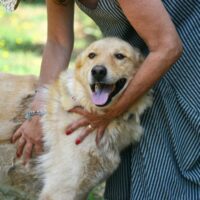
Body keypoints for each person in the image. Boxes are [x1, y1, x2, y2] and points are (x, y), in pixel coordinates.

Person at [8, 0, 200, 199]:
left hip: (185, 57)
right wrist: (41, 105)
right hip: (130, 62)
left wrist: (111, 112)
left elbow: (168, 47)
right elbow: (58, 41)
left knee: (167, 176)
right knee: (130, 179)